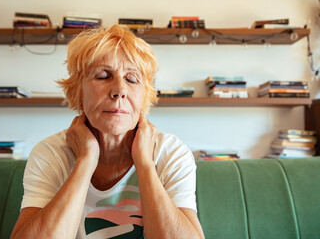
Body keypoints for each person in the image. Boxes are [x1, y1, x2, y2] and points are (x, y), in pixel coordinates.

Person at [11, 24, 205, 239]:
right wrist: (86, 160)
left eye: (132, 79)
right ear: (78, 92)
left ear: (144, 96)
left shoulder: (171, 153)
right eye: (103, 76)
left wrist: (145, 164)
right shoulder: (51, 152)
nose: (120, 90)